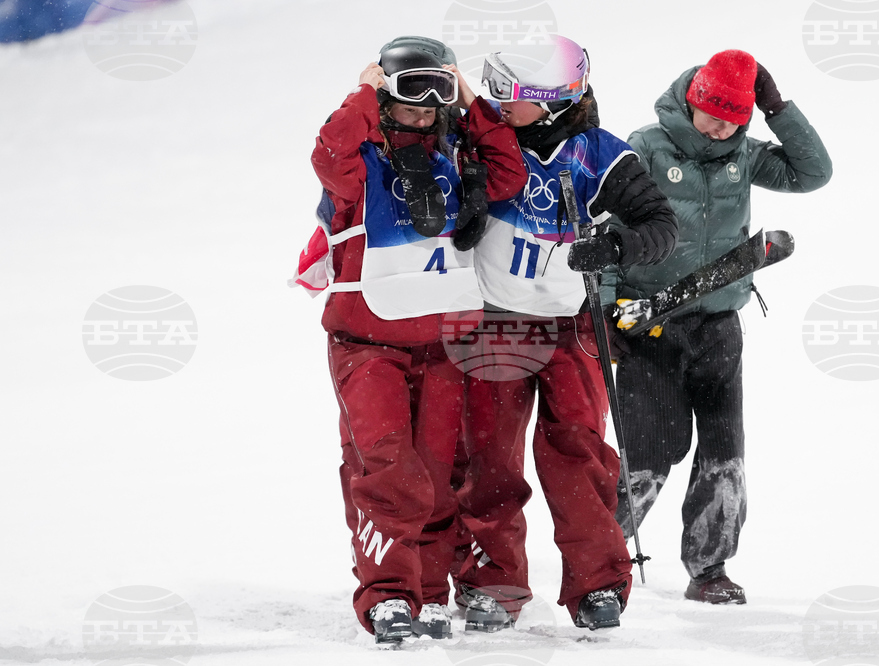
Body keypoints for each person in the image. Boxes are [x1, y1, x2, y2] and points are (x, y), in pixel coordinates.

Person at [295, 37, 526, 644]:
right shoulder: (360, 165)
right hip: (367, 343)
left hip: (443, 344)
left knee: (437, 473)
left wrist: (473, 102)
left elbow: (511, 173)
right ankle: (388, 596)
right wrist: (364, 91)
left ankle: (426, 593)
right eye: (409, 95)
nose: (424, 108)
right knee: (387, 468)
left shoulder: (460, 161)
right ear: (386, 97)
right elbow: (329, 151)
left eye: (438, 94)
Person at [451, 35, 678, 632]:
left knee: (577, 453)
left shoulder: (600, 155)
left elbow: (660, 225)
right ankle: (492, 584)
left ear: (550, 102)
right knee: (489, 457)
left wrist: (616, 245)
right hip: (493, 319)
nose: (498, 102)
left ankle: (598, 584)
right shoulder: (485, 143)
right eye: (493, 88)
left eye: (511, 94)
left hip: (571, 324)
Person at [603, 49, 833, 604]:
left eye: (735, 117)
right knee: (649, 453)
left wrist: (779, 108)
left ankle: (710, 569)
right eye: (711, 113)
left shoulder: (746, 155)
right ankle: (600, 560)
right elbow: (608, 228)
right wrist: (605, 312)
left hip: (719, 323)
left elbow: (813, 173)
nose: (720, 126)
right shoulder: (645, 148)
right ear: (692, 98)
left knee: (724, 453)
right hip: (648, 325)